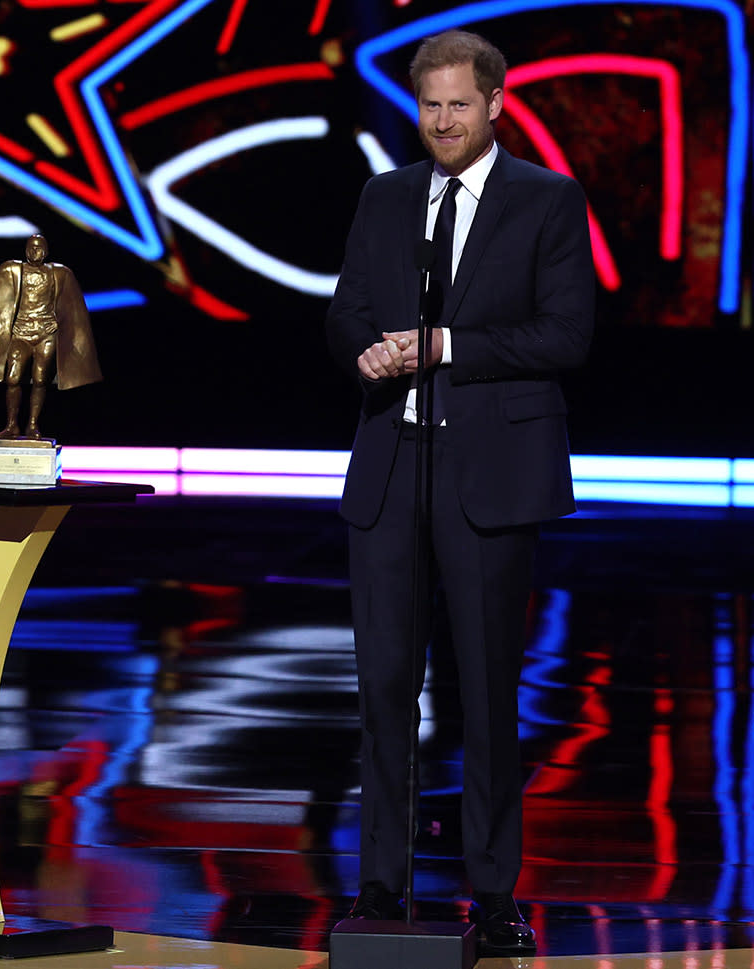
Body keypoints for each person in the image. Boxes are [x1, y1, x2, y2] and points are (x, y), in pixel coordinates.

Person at [325, 29, 595, 953]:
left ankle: (493, 897)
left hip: (490, 477)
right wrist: (365, 349)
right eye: (430, 105)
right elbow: (349, 308)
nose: (442, 121)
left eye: (458, 105)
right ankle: (381, 890)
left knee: (486, 693)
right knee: (384, 690)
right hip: (392, 471)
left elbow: (566, 335)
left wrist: (448, 347)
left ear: (495, 103)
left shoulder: (548, 201)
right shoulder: (385, 196)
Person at [0, 234, 102, 440]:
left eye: (38, 248)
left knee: (40, 380)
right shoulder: (13, 270)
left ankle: (32, 424)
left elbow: (72, 308)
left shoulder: (59, 273)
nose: (34, 252)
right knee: (13, 378)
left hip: (46, 334)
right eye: (31, 247)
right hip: (20, 333)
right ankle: (12, 425)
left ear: (46, 252)